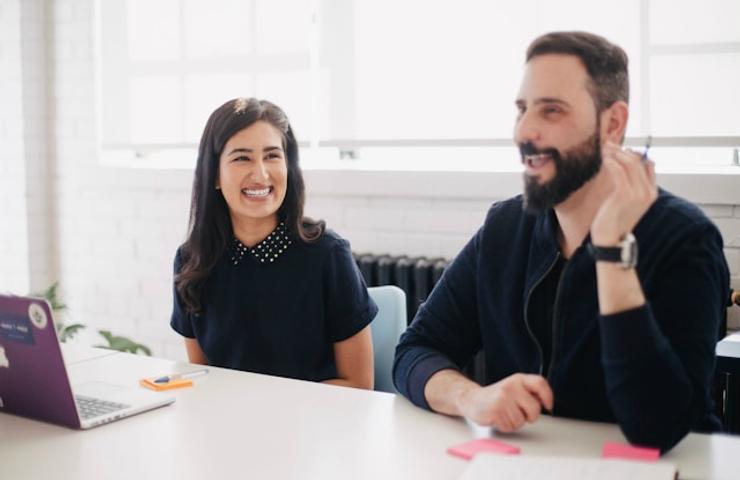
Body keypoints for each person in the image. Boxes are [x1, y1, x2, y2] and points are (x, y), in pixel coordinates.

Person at [393, 31, 729, 452]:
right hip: (526, 463)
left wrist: (612, 252)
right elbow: (415, 351)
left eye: (551, 111)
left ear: (612, 124)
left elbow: (659, 428)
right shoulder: (505, 227)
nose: (525, 131)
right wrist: (472, 397)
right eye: (522, 109)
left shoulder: (685, 239)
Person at [171, 98, 377, 389]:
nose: (261, 174)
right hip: (228, 424)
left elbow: (359, 384)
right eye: (242, 158)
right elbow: (205, 378)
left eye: (272, 156)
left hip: (316, 425)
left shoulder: (327, 254)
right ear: (214, 174)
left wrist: (266, 408)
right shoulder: (192, 260)